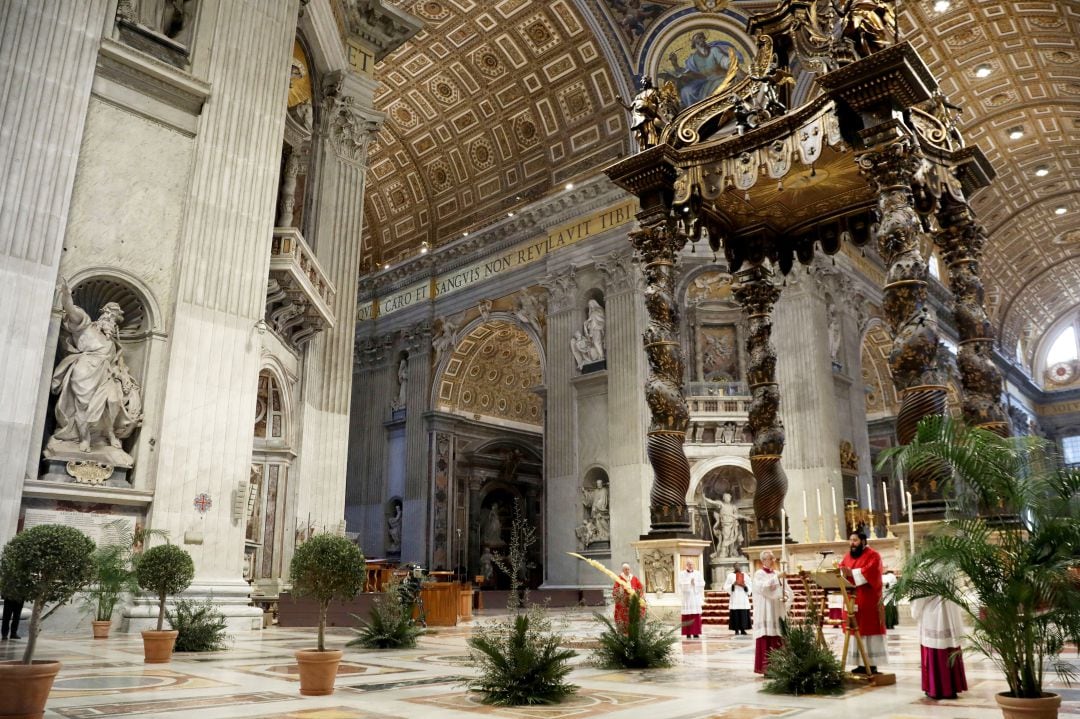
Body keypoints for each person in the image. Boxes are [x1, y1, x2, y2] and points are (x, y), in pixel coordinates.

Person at [49, 279, 142, 453]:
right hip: (85, 371)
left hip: (106, 373)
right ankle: (84, 438)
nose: (113, 323)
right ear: (103, 316)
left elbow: (118, 363)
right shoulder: (85, 326)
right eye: (111, 317)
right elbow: (71, 311)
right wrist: (67, 296)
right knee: (83, 405)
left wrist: (123, 378)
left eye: (115, 321)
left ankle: (110, 433)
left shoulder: (112, 344)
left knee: (114, 401)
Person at [839, 530, 888, 673]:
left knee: (868, 629)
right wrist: (842, 572)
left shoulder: (873, 555)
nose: (852, 543)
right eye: (850, 540)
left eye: (855, 540)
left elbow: (872, 571)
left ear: (863, 541)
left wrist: (852, 573)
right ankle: (859, 663)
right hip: (852, 600)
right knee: (855, 630)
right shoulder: (847, 556)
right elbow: (842, 568)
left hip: (868, 599)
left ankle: (871, 664)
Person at [912, 594, 968, 700]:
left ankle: (936, 689)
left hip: (933, 615)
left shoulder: (922, 575)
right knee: (950, 646)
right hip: (950, 613)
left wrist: (915, 612)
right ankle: (952, 688)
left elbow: (919, 597)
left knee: (934, 647)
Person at [752, 550, 791, 673]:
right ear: (763, 560)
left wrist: (786, 596)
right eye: (771, 558)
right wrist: (776, 578)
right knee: (766, 635)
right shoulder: (759, 573)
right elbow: (762, 588)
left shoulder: (777, 573)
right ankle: (766, 668)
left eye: (774, 558)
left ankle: (780, 666)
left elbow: (787, 590)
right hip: (766, 609)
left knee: (778, 634)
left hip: (777, 609)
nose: (773, 561)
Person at [703, 492, 741, 557]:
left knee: (732, 539)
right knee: (725, 538)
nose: (727, 498)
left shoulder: (733, 507)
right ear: (723, 498)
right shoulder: (721, 504)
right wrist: (705, 498)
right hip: (725, 525)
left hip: (733, 524)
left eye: (729, 497)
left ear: (730, 498)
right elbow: (712, 502)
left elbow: (736, 515)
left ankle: (731, 553)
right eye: (726, 497)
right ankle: (723, 552)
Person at [612, 562, 645, 630]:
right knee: (624, 618)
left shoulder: (634, 578)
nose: (627, 571)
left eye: (628, 569)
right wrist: (620, 591)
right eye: (625, 569)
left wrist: (637, 593)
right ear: (623, 570)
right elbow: (615, 590)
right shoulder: (619, 579)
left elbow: (640, 587)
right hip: (624, 603)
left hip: (633, 602)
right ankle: (623, 631)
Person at [678, 559, 705, 639]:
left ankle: (696, 632)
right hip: (687, 597)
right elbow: (680, 584)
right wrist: (689, 583)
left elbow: (703, 583)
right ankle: (688, 633)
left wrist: (695, 583)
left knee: (696, 615)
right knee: (687, 615)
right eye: (689, 564)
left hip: (695, 596)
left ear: (694, 565)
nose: (690, 565)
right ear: (686, 565)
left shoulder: (698, 573)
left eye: (692, 564)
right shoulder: (682, 574)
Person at [723, 563, 752, 635]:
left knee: (743, 613)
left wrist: (745, 586)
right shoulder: (730, 576)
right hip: (735, 596)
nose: (737, 567)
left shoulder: (745, 575)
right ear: (733, 567)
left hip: (743, 596)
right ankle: (736, 629)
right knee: (735, 613)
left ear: (740, 567)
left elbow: (750, 585)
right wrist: (733, 584)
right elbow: (726, 586)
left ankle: (743, 629)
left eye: (738, 566)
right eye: (736, 566)